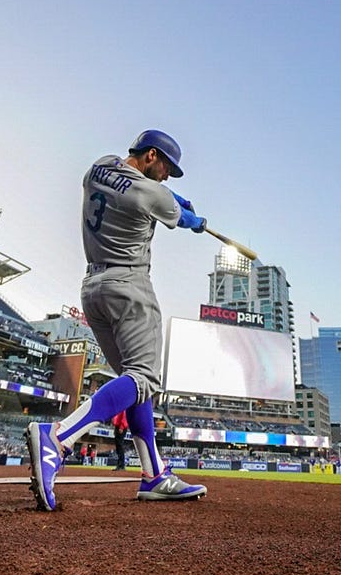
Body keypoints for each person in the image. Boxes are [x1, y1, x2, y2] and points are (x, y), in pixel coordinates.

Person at [25, 129, 208, 510]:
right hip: (129, 285)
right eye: (166, 169)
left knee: (134, 379)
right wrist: (191, 218)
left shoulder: (99, 166)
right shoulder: (154, 193)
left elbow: (131, 183)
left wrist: (169, 194)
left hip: (93, 288)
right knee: (143, 376)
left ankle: (153, 473)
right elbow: (176, 213)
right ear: (152, 155)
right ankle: (58, 438)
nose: (166, 178)